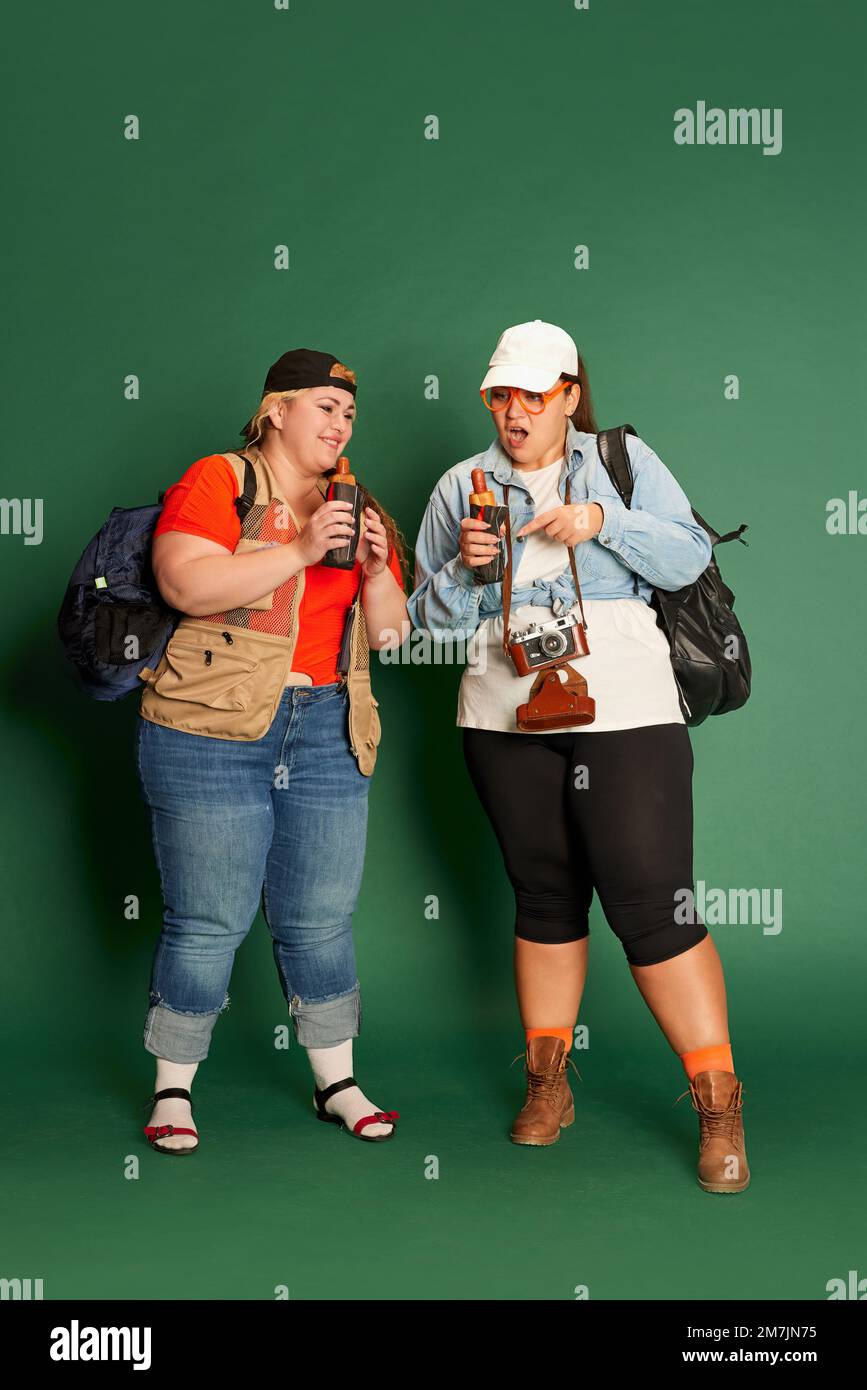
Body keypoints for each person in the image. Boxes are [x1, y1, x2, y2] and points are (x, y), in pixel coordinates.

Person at [407, 320, 749, 1193]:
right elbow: (422, 625)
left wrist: (603, 522)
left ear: (567, 394)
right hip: (499, 708)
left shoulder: (619, 459)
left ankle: (717, 1105)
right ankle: (548, 1086)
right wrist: (463, 573)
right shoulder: (461, 485)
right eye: (499, 395)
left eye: (531, 394)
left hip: (624, 706)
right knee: (544, 892)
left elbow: (687, 555)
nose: (513, 411)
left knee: (650, 900)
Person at [135, 348, 409, 1153]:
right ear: (275, 410)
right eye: (325, 407)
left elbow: (392, 631)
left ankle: (337, 1081)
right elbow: (184, 584)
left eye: (349, 413)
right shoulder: (220, 479)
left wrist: (376, 564)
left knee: (321, 917)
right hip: (209, 727)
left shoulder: (356, 501)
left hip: (327, 723)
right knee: (208, 917)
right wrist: (294, 551)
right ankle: (174, 1089)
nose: (340, 424)